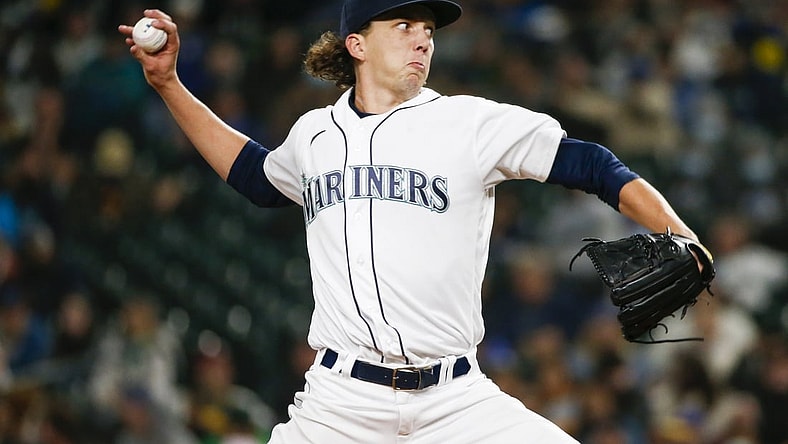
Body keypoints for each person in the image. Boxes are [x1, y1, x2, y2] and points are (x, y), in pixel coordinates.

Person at [119, 1, 711, 442]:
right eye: (403, 26)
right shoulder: (314, 135)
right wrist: (169, 84)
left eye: (427, 30)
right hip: (340, 405)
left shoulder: (468, 124)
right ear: (357, 43)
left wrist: (677, 230)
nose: (422, 41)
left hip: (455, 401)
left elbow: (591, 163)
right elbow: (256, 177)